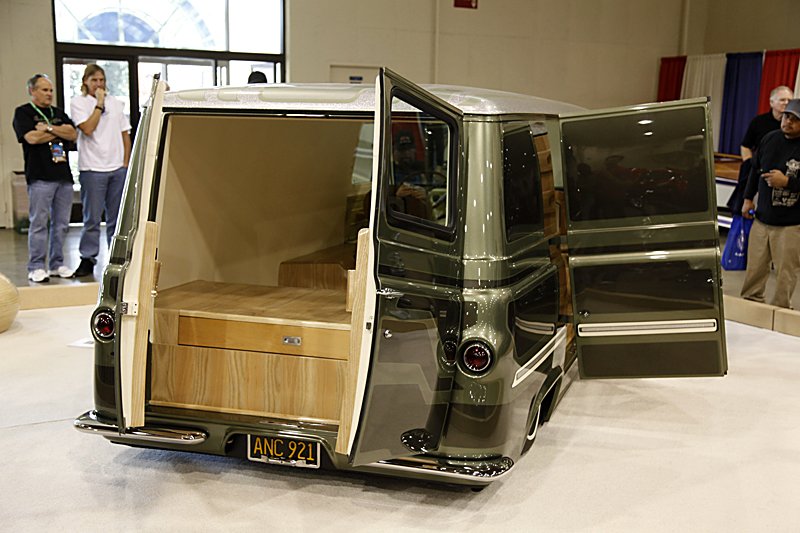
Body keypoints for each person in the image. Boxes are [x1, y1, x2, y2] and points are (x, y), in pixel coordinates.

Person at [12, 74, 78, 283]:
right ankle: (36, 266)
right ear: (32, 91)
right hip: (40, 177)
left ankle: (57, 264)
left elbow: (73, 134)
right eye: (44, 90)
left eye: (51, 90)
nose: (49, 94)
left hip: (63, 177)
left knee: (61, 224)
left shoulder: (57, 113)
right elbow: (31, 138)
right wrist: (59, 133)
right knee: (39, 223)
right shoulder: (23, 113)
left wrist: (48, 128)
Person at [70, 64, 132, 278]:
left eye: (102, 80)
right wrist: (99, 104)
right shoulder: (78, 103)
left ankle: (116, 259)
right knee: (92, 218)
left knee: (117, 219)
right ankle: (88, 258)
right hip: (92, 168)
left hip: (117, 168)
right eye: (94, 80)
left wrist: (125, 164)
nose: (99, 84)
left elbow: (125, 134)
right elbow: (88, 128)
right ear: (85, 82)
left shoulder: (116, 103)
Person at [740, 98, 800, 308]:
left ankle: (781, 310)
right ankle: (750, 306)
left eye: (794, 119)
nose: (788, 122)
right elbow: (754, 171)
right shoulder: (770, 139)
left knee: (786, 272)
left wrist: (787, 182)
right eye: (786, 116)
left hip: (791, 225)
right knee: (755, 268)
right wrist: (748, 199)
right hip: (762, 219)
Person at [740, 86, 793, 161]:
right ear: (771, 102)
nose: (786, 103)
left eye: (789, 100)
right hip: (761, 164)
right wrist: (748, 164)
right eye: (782, 100)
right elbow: (745, 146)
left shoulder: (795, 124)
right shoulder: (758, 121)